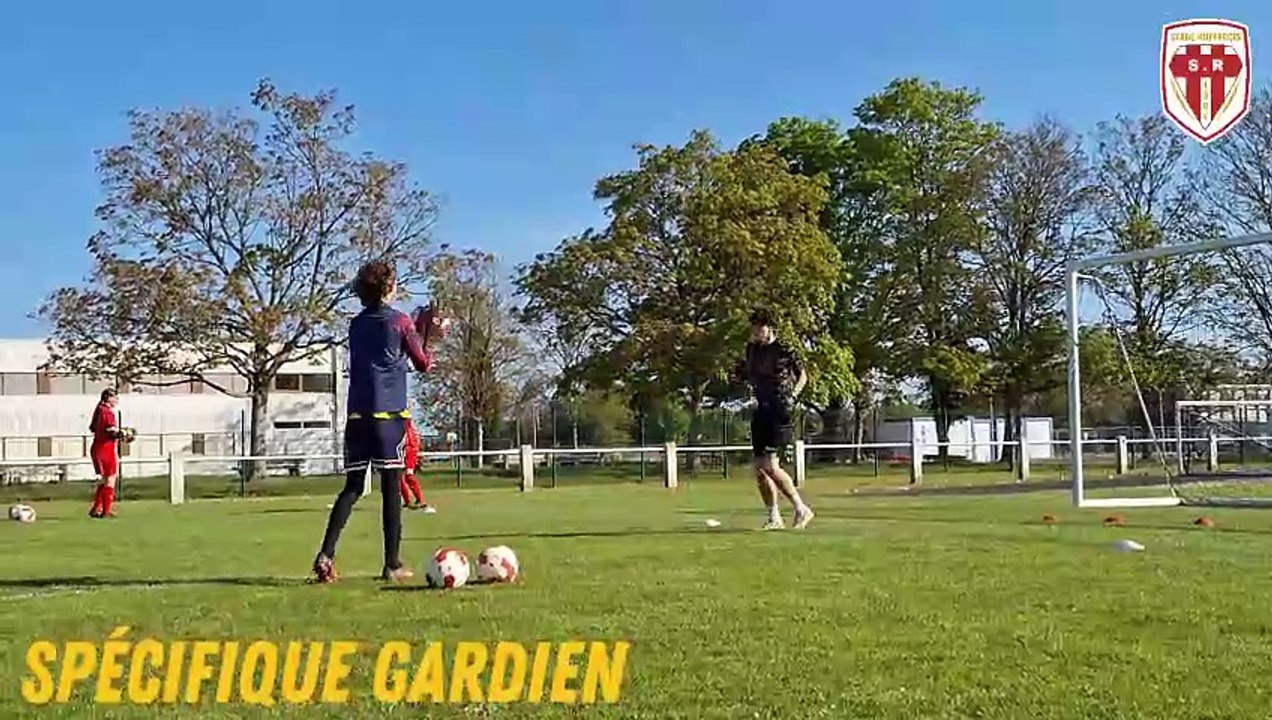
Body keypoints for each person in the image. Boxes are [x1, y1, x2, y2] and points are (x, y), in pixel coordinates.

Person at [312, 261, 442, 583]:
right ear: (387, 287)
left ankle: (326, 554)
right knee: (390, 490)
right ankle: (392, 563)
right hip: (389, 417)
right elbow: (422, 363)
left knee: (352, 488)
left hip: (357, 415)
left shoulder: (355, 324)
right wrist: (429, 340)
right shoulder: (399, 321)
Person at [740, 308, 814, 530]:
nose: (756, 332)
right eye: (753, 328)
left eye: (759, 327)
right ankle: (774, 517)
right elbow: (749, 376)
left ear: (769, 327)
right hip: (760, 408)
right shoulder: (751, 350)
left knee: (771, 465)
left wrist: (792, 395)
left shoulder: (784, 349)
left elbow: (803, 375)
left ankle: (802, 509)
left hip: (779, 408)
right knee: (760, 469)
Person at [88, 388, 122, 519]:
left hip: (98, 448)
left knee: (104, 480)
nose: (117, 401)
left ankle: (96, 509)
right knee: (110, 479)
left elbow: (93, 428)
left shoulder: (99, 410)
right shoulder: (107, 412)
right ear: (109, 398)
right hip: (105, 449)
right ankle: (106, 511)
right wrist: (122, 435)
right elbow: (111, 432)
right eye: (115, 398)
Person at [399, 417, 435, 513]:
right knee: (400, 477)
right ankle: (408, 502)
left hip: (409, 452)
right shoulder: (402, 427)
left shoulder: (408, 428)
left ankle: (421, 501)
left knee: (409, 476)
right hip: (404, 452)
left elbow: (414, 443)